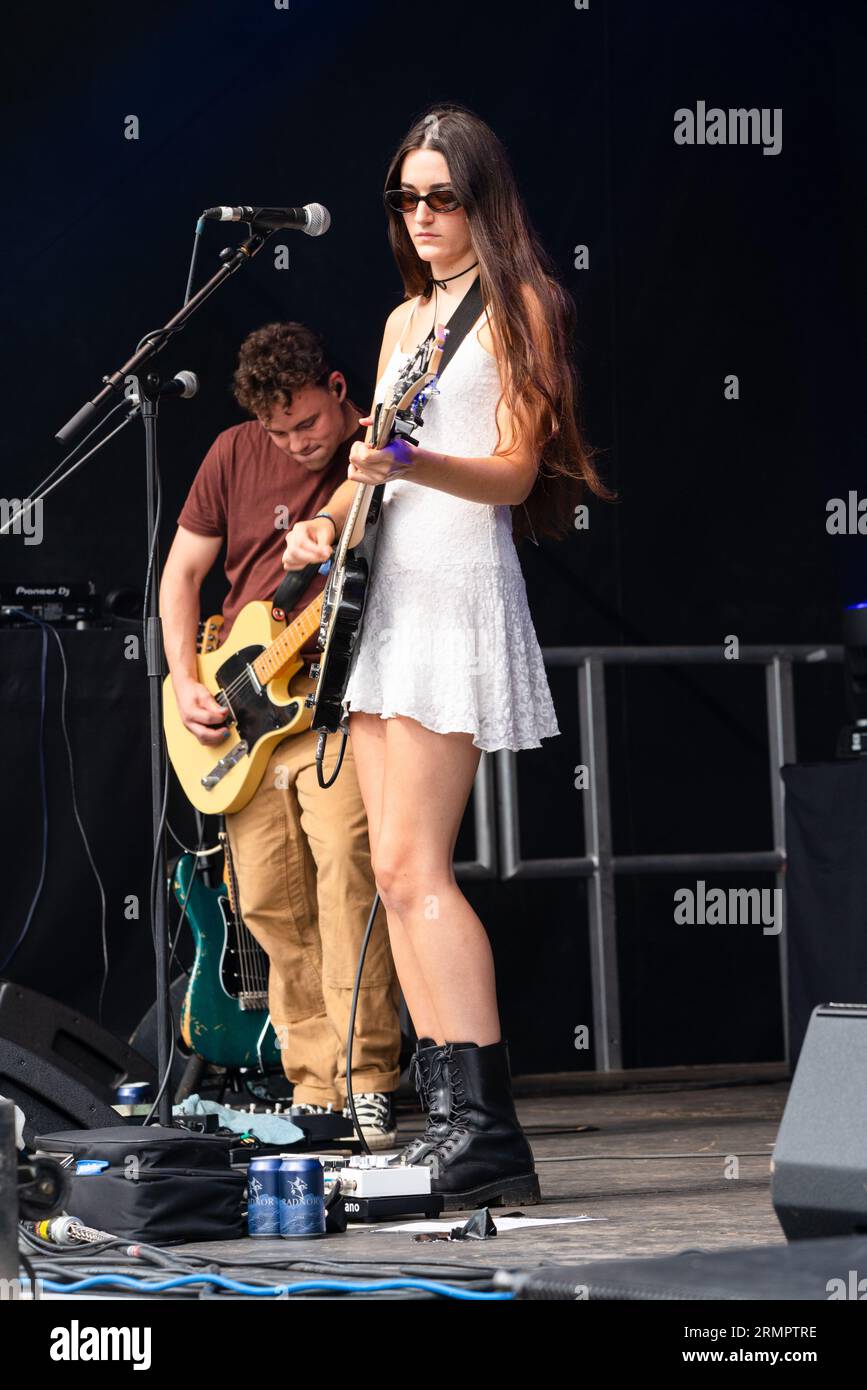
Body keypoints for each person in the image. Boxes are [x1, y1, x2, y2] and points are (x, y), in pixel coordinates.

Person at [310, 103, 609, 1207]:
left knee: (422, 866)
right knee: (392, 873)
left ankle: (491, 1131)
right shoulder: (402, 322)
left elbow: (517, 472)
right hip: (387, 589)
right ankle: (451, 1122)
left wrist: (410, 463)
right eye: (407, 197)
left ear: (484, 198)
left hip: (454, 590)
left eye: (442, 196)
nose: (422, 217)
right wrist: (322, 520)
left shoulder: (524, 304)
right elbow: (369, 465)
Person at [159, 323, 402, 1147]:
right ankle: (314, 1087)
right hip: (241, 712)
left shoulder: (379, 448)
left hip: (333, 702)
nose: (297, 443)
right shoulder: (232, 452)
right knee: (265, 900)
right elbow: (182, 576)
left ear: (338, 389)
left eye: (307, 424)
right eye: (280, 432)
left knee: (346, 879)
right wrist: (185, 682)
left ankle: (368, 1081)